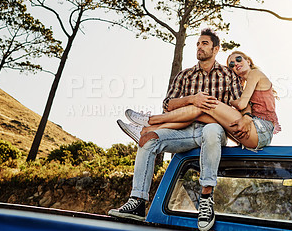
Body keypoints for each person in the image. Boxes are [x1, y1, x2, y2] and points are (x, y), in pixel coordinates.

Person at [108, 28, 245, 231]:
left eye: (204, 43)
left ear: (216, 49)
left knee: (211, 130)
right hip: (182, 131)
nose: (199, 47)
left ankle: (206, 200)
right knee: (148, 140)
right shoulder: (185, 75)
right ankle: (137, 201)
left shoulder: (228, 75)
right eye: (198, 44)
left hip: (213, 130)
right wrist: (191, 99)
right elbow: (168, 104)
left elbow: (237, 107)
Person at [123, 50, 281, 151]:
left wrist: (231, 102)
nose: (236, 64)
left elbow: (240, 104)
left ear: (248, 60)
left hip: (260, 130)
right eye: (231, 64)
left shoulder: (254, 74)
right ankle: (146, 131)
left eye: (239, 59)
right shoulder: (244, 85)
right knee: (198, 113)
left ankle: (149, 119)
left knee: (208, 103)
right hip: (250, 135)